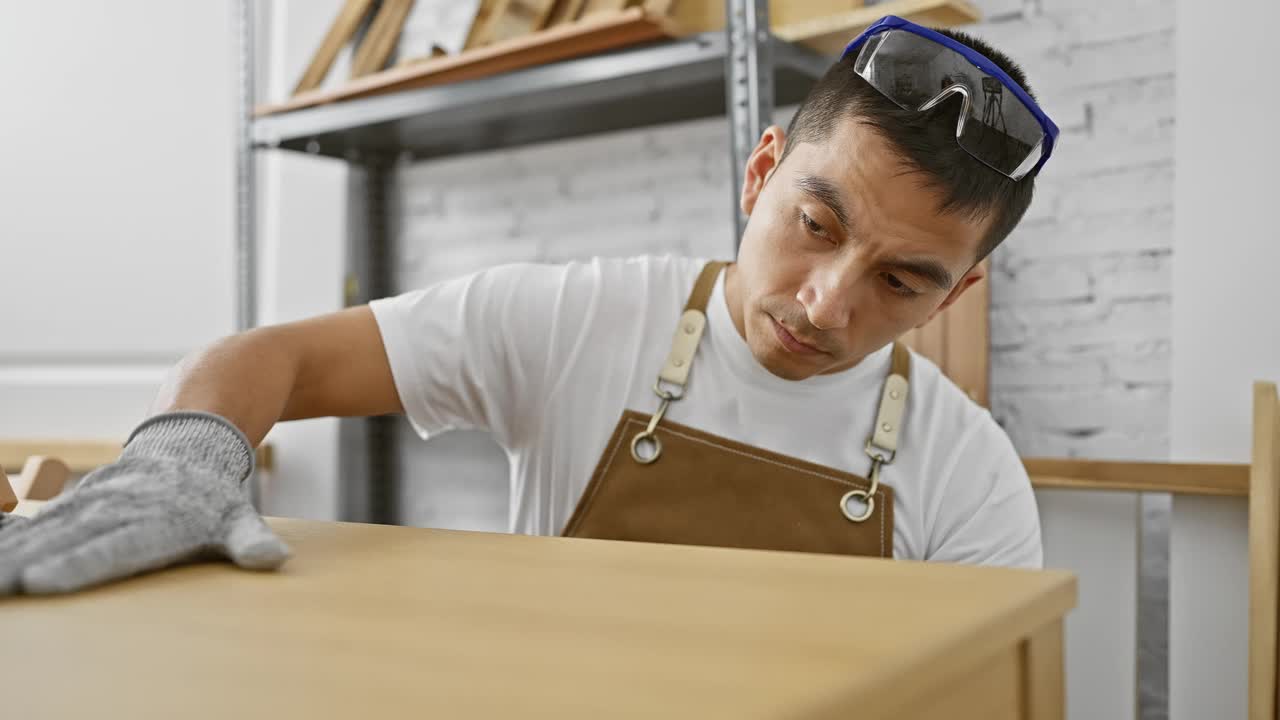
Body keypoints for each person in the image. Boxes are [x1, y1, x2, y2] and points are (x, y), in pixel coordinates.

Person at [0, 15, 1059, 594]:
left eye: (899, 281)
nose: (826, 306)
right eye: (814, 225)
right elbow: (266, 358)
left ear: (954, 293)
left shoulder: (968, 475)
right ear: (758, 174)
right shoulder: (580, 323)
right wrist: (181, 467)